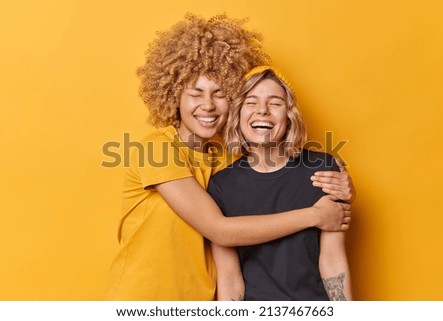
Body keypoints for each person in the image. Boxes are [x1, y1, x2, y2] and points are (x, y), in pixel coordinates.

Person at [104, 14, 354, 300]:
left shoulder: (226, 160)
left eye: (220, 94)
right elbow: (220, 231)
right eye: (195, 94)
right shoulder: (156, 151)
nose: (208, 106)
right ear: (174, 95)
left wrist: (346, 190)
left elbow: (269, 179)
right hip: (145, 298)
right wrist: (315, 216)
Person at [208, 66, 353, 301]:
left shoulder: (323, 170)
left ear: (289, 115)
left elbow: (333, 260)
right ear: (238, 115)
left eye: (275, 103)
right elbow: (229, 278)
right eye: (251, 102)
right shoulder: (221, 186)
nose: (262, 111)